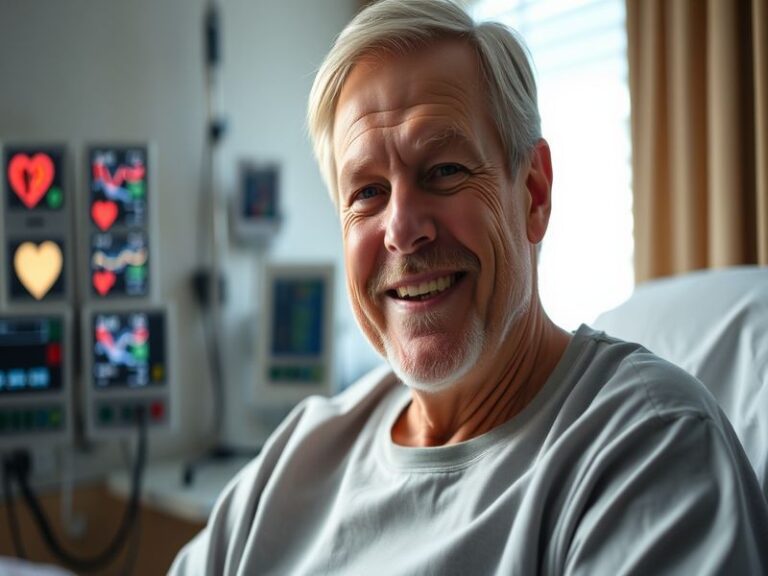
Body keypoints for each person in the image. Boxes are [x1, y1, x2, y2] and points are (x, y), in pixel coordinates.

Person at [170, 1, 768, 573]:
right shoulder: (297, 458)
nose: (402, 230)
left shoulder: (647, 452)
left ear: (533, 194)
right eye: (367, 194)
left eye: (445, 170)